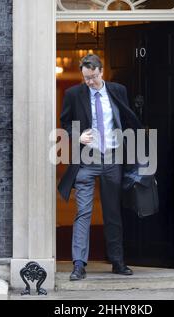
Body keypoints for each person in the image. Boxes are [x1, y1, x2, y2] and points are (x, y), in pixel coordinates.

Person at [57, 54, 143, 281]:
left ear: (101, 72)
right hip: (87, 161)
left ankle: (117, 261)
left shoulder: (117, 90)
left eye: (93, 77)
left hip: (113, 158)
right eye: (85, 78)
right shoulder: (73, 94)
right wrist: (77, 135)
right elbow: (64, 122)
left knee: (113, 212)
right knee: (83, 212)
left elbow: (126, 118)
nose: (89, 82)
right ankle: (78, 265)